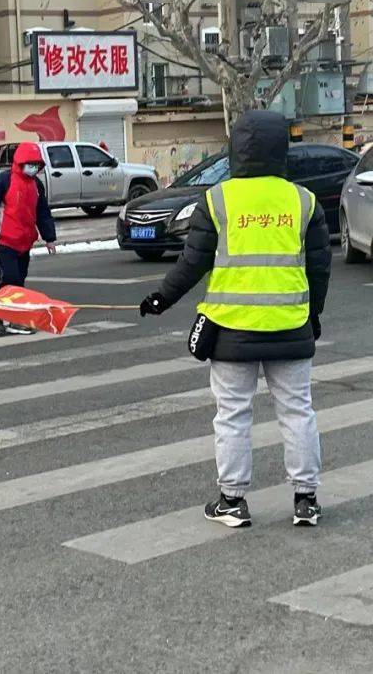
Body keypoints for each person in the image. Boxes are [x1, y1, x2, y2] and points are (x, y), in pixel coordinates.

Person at [140, 110, 331, 529]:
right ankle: (306, 500)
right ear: (281, 148)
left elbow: (191, 264)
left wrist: (161, 299)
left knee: (232, 416)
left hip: (231, 332)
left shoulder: (217, 200)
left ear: (237, 149)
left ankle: (232, 501)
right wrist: (312, 315)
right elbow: (319, 268)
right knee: (298, 412)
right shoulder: (303, 201)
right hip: (290, 327)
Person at [0, 141, 57, 336]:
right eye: (30, 163)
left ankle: (13, 317)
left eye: (37, 164)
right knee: (8, 277)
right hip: (3, 240)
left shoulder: (36, 184)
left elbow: (43, 212)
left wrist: (49, 237)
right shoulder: (3, 181)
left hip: (24, 241)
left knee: (19, 280)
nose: (33, 167)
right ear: (19, 162)